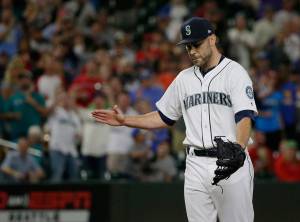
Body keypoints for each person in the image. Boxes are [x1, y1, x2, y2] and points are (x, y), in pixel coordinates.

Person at [92, 17, 257, 222]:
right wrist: (126, 120)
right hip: (195, 164)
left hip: (230, 162)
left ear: (212, 39)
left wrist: (239, 148)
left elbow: (245, 117)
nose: (192, 51)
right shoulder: (184, 79)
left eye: (196, 44)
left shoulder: (235, 73)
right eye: (187, 46)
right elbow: (163, 117)